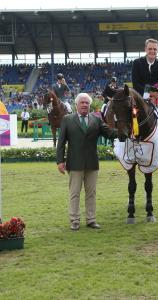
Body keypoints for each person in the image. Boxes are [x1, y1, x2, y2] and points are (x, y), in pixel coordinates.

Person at [56, 93, 118, 231]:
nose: (84, 105)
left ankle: (91, 219)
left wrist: (125, 131)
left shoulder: (96, 120)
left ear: (90, 105)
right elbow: (61, 142)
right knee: (74, 193)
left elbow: (109, 133)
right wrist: (60, 161)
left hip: (92, 163)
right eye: (82, 102)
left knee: (91, 193)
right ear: (76, 105)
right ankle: (74, 220)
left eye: (87, 103)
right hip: (75, 163)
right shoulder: (67, 119)